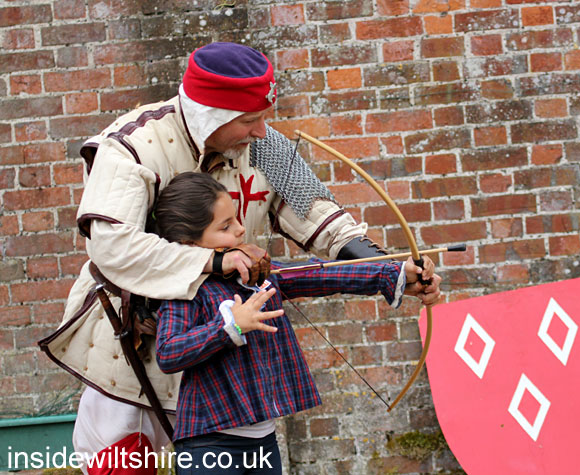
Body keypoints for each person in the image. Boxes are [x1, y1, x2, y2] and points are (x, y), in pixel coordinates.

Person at [37, 41, 441, 473]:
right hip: (134, 344)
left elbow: (320, 218)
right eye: (249, 120)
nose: (262, 131)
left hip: (222, 362)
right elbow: (112, 246)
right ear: (210, 115)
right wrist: (214, 263)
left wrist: (390, 268)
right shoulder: (134, 145)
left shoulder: (264, 147)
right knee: (119, 460)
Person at [152, 172, 438, 474]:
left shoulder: (255, 273)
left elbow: (320, 274)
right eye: (225, 227)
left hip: (263, 441)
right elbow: (169, 352)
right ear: (190, 243)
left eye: (236, 219)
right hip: (208, 444)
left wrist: (395, 272)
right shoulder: (187, 287)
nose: (240, 229)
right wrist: (230, 326)